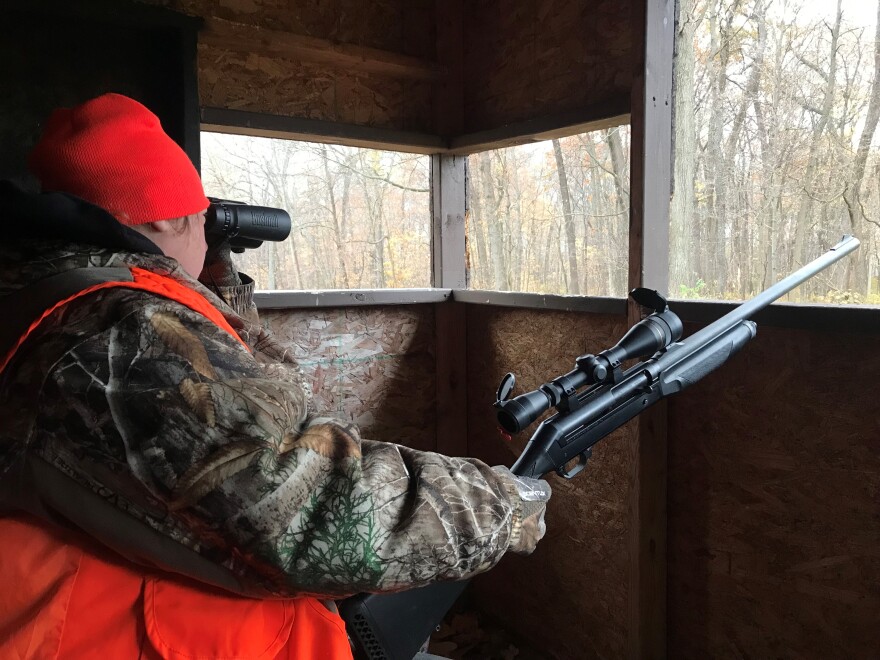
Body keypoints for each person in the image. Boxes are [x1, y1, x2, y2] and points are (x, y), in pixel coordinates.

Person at [0, 93, 551, 658]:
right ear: (163, 213)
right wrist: (502, 501)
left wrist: (215, 286)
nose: (201, 231)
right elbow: (308, 508)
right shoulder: (120, 332)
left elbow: (250, 403)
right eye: (196, 216)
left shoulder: (59, 302)